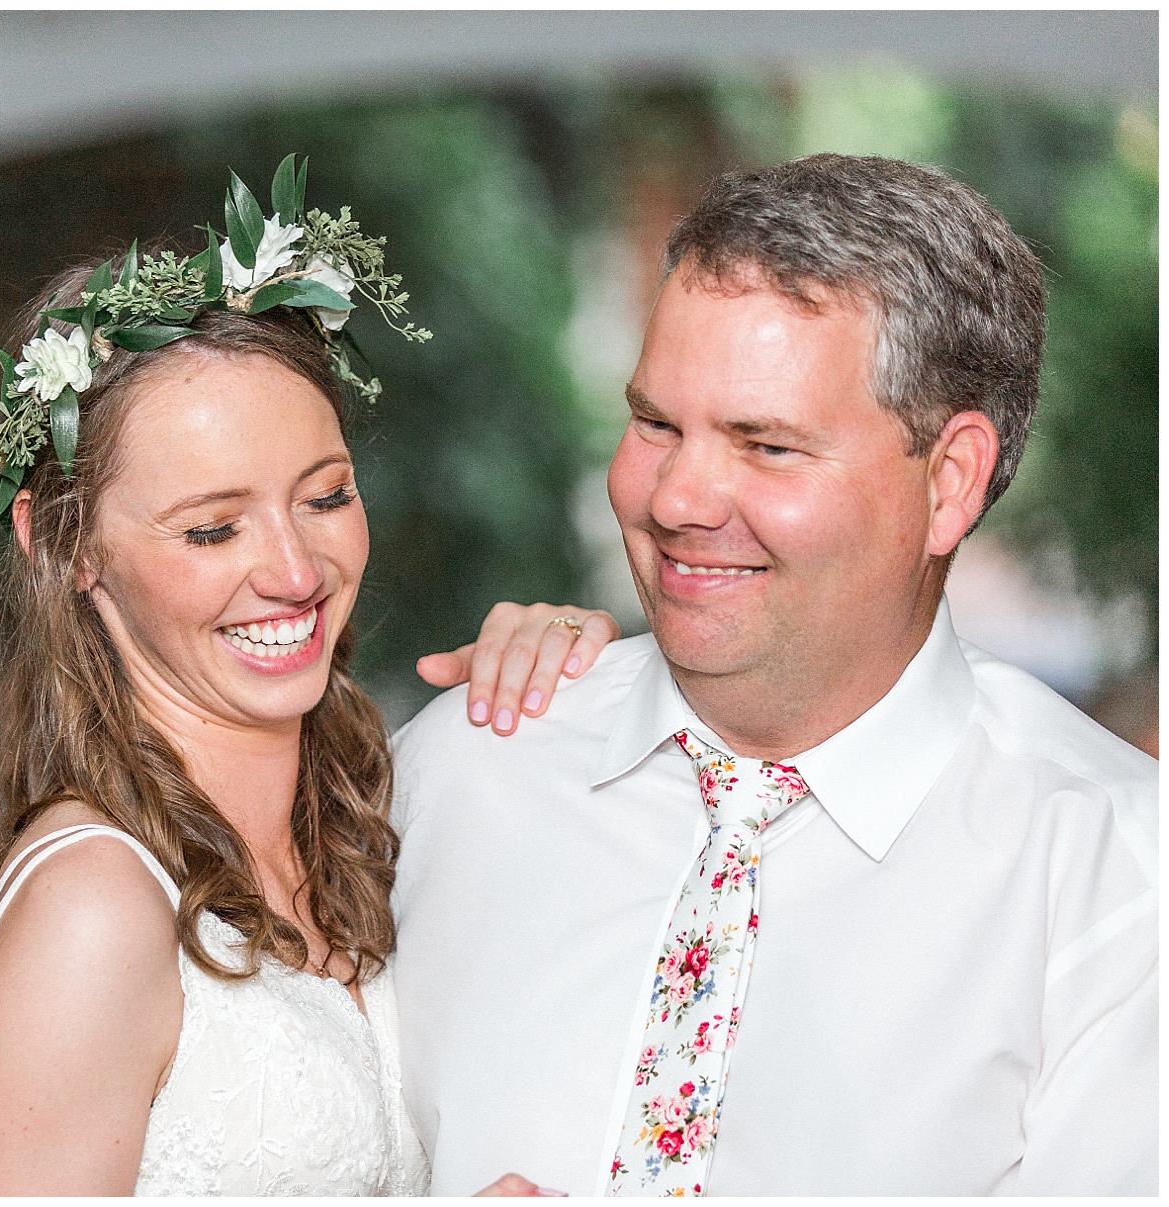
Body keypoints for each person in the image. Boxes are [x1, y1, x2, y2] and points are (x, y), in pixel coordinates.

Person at [391, 153, 1157, 1195]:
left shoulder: (1116, 879)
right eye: (656, 424)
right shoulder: (461, 766)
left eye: (766, 446)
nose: (677, 499)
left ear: (950, 483)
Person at [0, 160, 617, 1195]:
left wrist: (568, 681)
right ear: (65, 545)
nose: (296, 572)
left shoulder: (370, 819)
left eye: (325, 496)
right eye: (213, 528)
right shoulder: (91, 908)